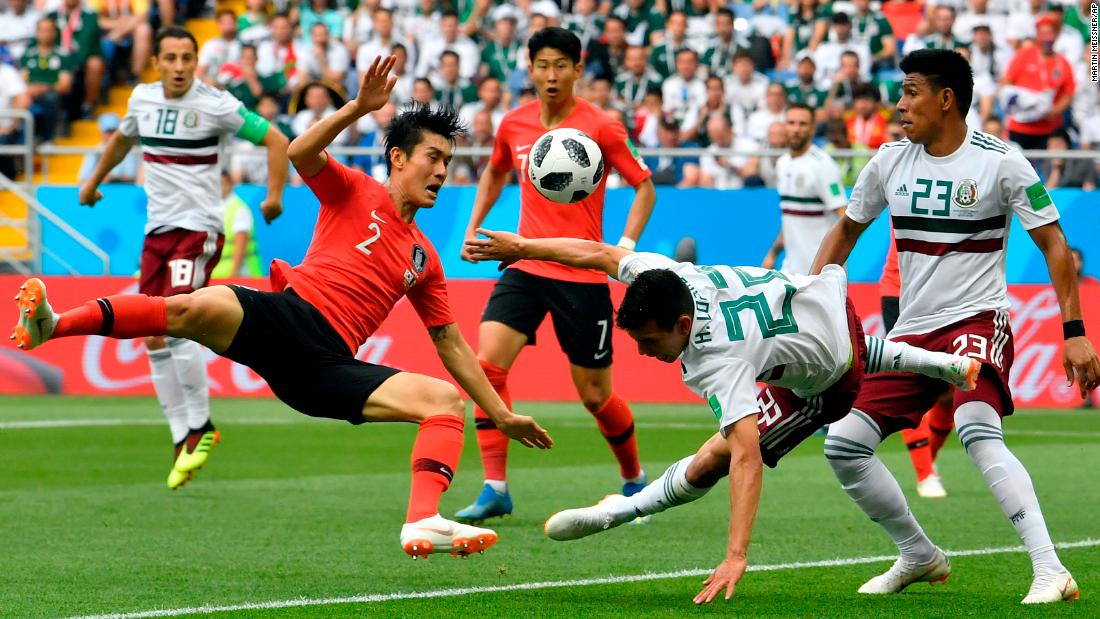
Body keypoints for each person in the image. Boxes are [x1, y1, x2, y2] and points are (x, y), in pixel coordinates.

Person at [12, 55, 553, 559]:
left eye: (448, 161)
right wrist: (359, 108)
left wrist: (501, 414)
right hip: (287, 317)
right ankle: (54, 324)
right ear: (398, 157)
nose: (441, 171)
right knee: (192, 308)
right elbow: (298, 153)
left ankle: (421, 520)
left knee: (444, 400)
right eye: (433, 157)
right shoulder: (353, 189)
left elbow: (450, 344)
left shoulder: (425, 258)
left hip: (326, 368)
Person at [461, 229, 980, 604]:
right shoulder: (669, 275)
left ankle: (623, 510)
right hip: (826, 300)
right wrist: (523, 248)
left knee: (716, 456)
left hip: (825, 382)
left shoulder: (718, 358)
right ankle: (939, 364)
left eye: (650, 342)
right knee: (840, 351)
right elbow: (598, 253)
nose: (643, 353)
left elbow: (747, 459)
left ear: (682, 324)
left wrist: (736, 554)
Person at [811, 48, 1100, 603]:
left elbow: (1053, 244)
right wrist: (811, 295)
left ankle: (1050, 569)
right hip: (911, 331)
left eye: (911, 92)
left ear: (946, 100)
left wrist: (1074, 330)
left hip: (976, 318)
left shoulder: (1002, 161)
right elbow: (845, 232)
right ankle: (919, 554)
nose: (900, 105)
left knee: (975, 428)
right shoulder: (889, 161)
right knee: (845, 445)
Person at [454, 27, 656, 523]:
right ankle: (495, 487)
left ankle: (634, 480)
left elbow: (644, 185)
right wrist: (475, 226)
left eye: (561, 65)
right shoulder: (514, 124)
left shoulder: (602, 127)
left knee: (594, 395)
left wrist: (623, 249)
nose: (551, 74)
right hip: (522, 264)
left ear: (577, 69)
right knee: (486, 367)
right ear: (530, 68)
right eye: (542, 64)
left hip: (582, 273)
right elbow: (496, 171)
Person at [75, 26, 289, 491]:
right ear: (156, 62)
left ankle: (201, 424)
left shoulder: (217, 104)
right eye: (169, 58)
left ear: (197, 61)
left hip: (199, 229)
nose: (178, 67)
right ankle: (181, 439)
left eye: (186, 58)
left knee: (175, 318)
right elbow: (121, 142)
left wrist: (273, 197)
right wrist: (93, 181)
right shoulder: (141, 101)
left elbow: (275, 139)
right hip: (157, 231)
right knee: (151, 334)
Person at [880, 235, 954, 499]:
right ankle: (925, 473)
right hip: (900, 293)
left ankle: (926, 461)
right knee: (913, 381)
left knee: (950, 391)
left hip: (947, 297)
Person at [762, 103, 847, 276]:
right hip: (791, 271)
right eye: (791, 123)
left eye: (802, 124)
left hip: (821, 273)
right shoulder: (782, 163)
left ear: (812, 129)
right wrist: (773, 253)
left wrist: (833, 265)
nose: (796, 129)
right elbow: (790, 219)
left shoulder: (823, 165)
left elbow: (844, 218)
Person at [211, 172, 262, 279]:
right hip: (219, 274)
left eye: (223, 183)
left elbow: (241, 243)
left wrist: (234, 272)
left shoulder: (239, 209)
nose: (220, 188)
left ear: (230, 184)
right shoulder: (218, 208)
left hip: (240, 274)